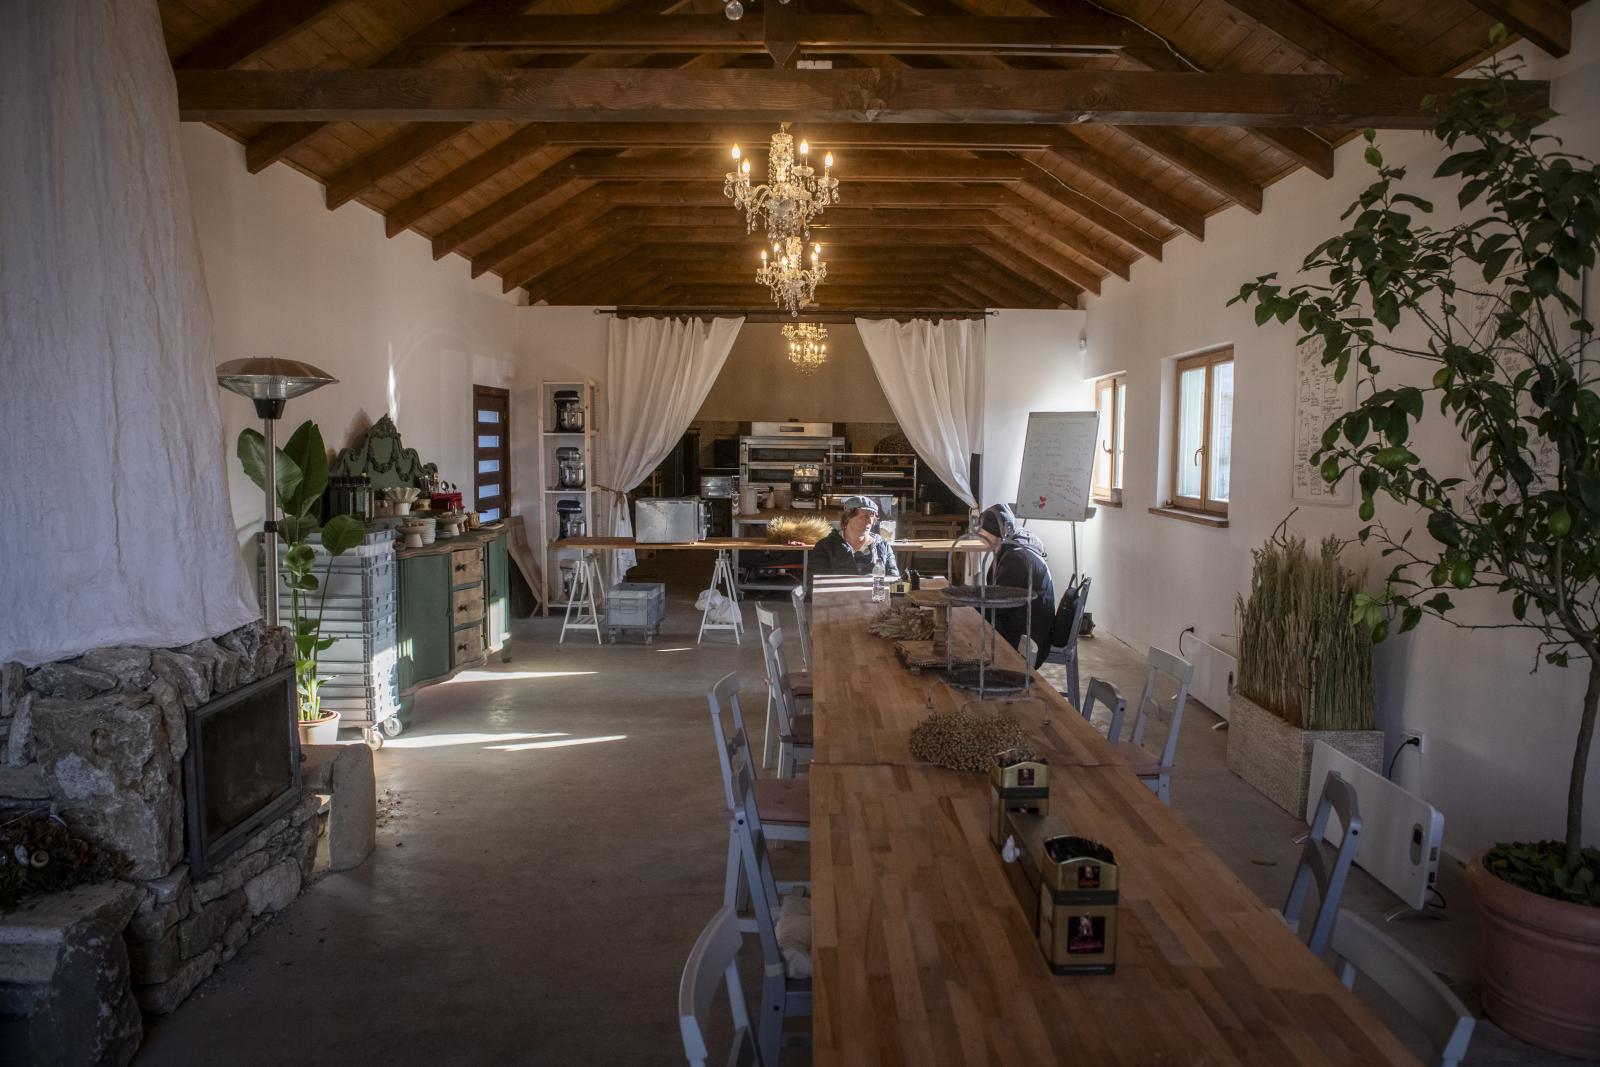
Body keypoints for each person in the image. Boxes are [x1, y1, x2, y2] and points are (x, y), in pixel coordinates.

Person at [975, 503, 1055, 668]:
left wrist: (965, 604)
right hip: (1027, 625)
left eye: (984, 529)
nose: (980, 534)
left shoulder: (1016, 559)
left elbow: (998, 604)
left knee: (967, 625)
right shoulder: (1014, 547)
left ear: (998, 532)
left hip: (1027, 639)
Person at [809, 496, 900, 578]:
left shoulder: (882, 546)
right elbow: (814, 583)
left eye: (872, 516)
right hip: (839, 592)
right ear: (848, 517)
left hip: (874, 592)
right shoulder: (826, 546)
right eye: (864, 516)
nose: (869, 521)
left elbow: (893, 578)